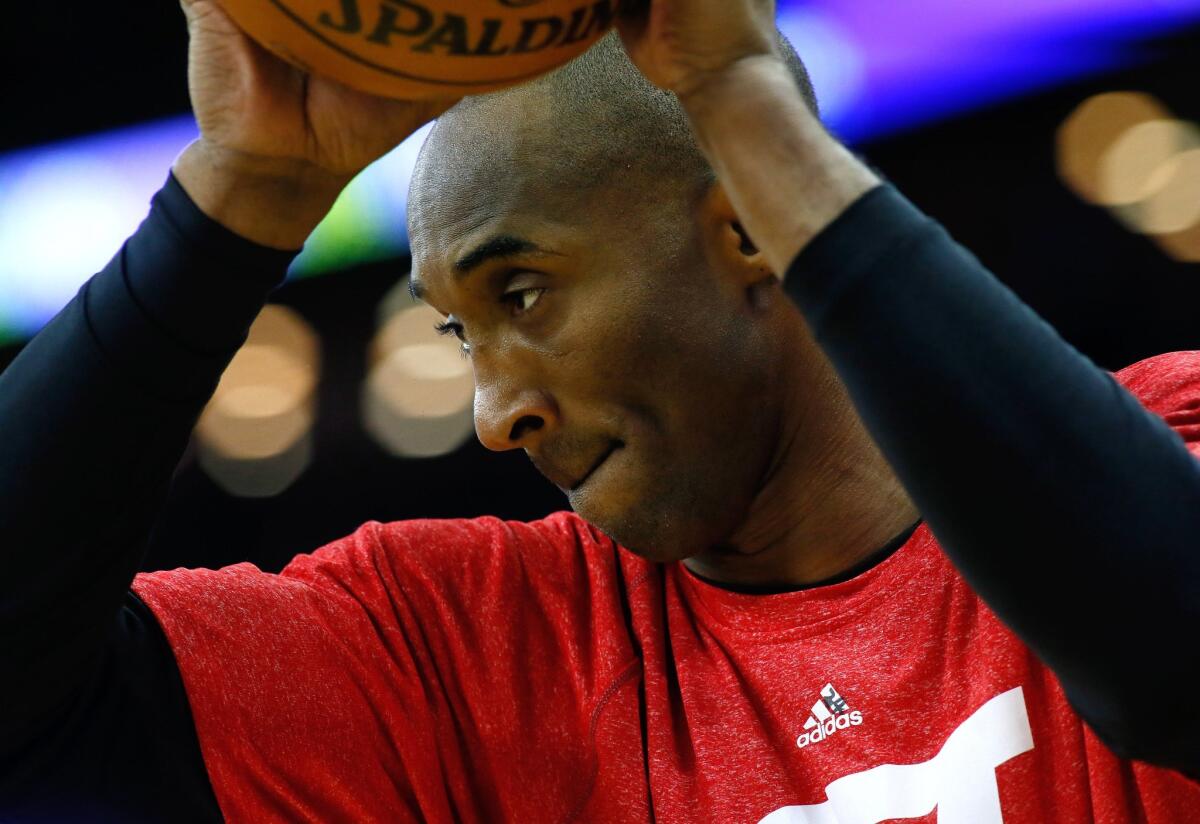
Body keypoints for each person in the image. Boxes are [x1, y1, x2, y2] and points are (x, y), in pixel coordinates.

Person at [2, 0, 1199, 820]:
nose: (491, 412)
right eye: (461, 332)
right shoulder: (459, 651)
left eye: (522, 292)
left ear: (744, 227)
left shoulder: (1167, 431)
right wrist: (234, 196)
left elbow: (1169, 649)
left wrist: (736, 98)